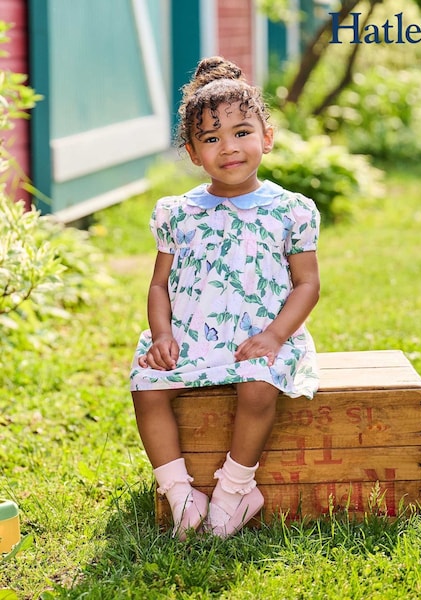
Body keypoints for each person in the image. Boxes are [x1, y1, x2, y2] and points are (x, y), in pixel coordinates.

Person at [130, 56, 320, 540]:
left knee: (257, 386)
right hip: (192, 333)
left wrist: (275, 336)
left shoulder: (290, 210)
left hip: (261, 335)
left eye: (241, 132)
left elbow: (307, 284)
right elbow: (159, 284)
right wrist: (162, 335)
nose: (229, 147)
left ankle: (236, 490)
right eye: (211, 139)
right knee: (147, 386)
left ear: (267, 137)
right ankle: (181, 496)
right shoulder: (178, 212)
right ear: (193, 153)